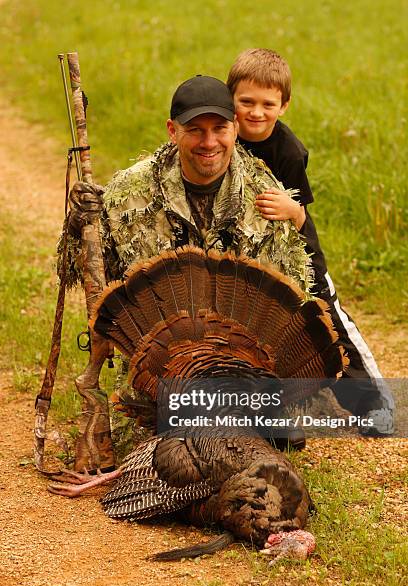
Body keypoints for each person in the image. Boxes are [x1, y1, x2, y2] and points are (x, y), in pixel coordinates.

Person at [65, 75, 313, 451]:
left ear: (234, 129)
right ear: (172, 131)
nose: (209, 142)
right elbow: (75, 272)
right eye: (195, 130)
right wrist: (77, 224)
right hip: (161, 371)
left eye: (219, 129)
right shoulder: (129, 192)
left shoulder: (265, 192)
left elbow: (295, 290)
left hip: (239, 368)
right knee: (172, 454)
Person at [226, 48, 394, 436]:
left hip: (297, 247)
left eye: (267, 104)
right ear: (230, 99)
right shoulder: (224, 136)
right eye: (246, 101)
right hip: (249, 251)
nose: (255, 112)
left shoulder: (288, 151)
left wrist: (292, 208)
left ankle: (374, 402)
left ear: (283, 106)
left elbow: (300, 214)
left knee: (329, 318)